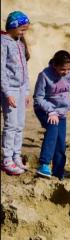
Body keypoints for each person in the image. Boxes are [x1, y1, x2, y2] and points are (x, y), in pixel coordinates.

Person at [33, 50, 70, 179]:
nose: (65, 72)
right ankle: (44, 164)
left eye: (68, 69)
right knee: (53, 127)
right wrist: (51, 111)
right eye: (62, 69)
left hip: (61, 111)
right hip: (43, 109)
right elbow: (38, 97)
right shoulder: (44, 75)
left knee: (60, 142)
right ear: (54, 65)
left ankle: (58, 173)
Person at [1, 11, 31, 175]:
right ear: (12, 27)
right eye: (21, 29)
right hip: (10, 90)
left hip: (20, 89)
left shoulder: (19, 43)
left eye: (25, 30)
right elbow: (1, 71)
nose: (23, 33)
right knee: (11, 125)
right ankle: (6, 159)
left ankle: (16, 156)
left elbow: (25, 69)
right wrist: (7, 93)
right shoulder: (3, 43)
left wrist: (26, 90)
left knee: (19, 125)